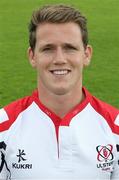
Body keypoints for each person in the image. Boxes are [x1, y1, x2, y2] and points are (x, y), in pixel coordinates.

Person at [0, 4, 119, 180]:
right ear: (32, 56)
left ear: (86, 55)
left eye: (70, 48)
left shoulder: (115, 128)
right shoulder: (4, 128)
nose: (60, 59)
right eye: (48, 49)